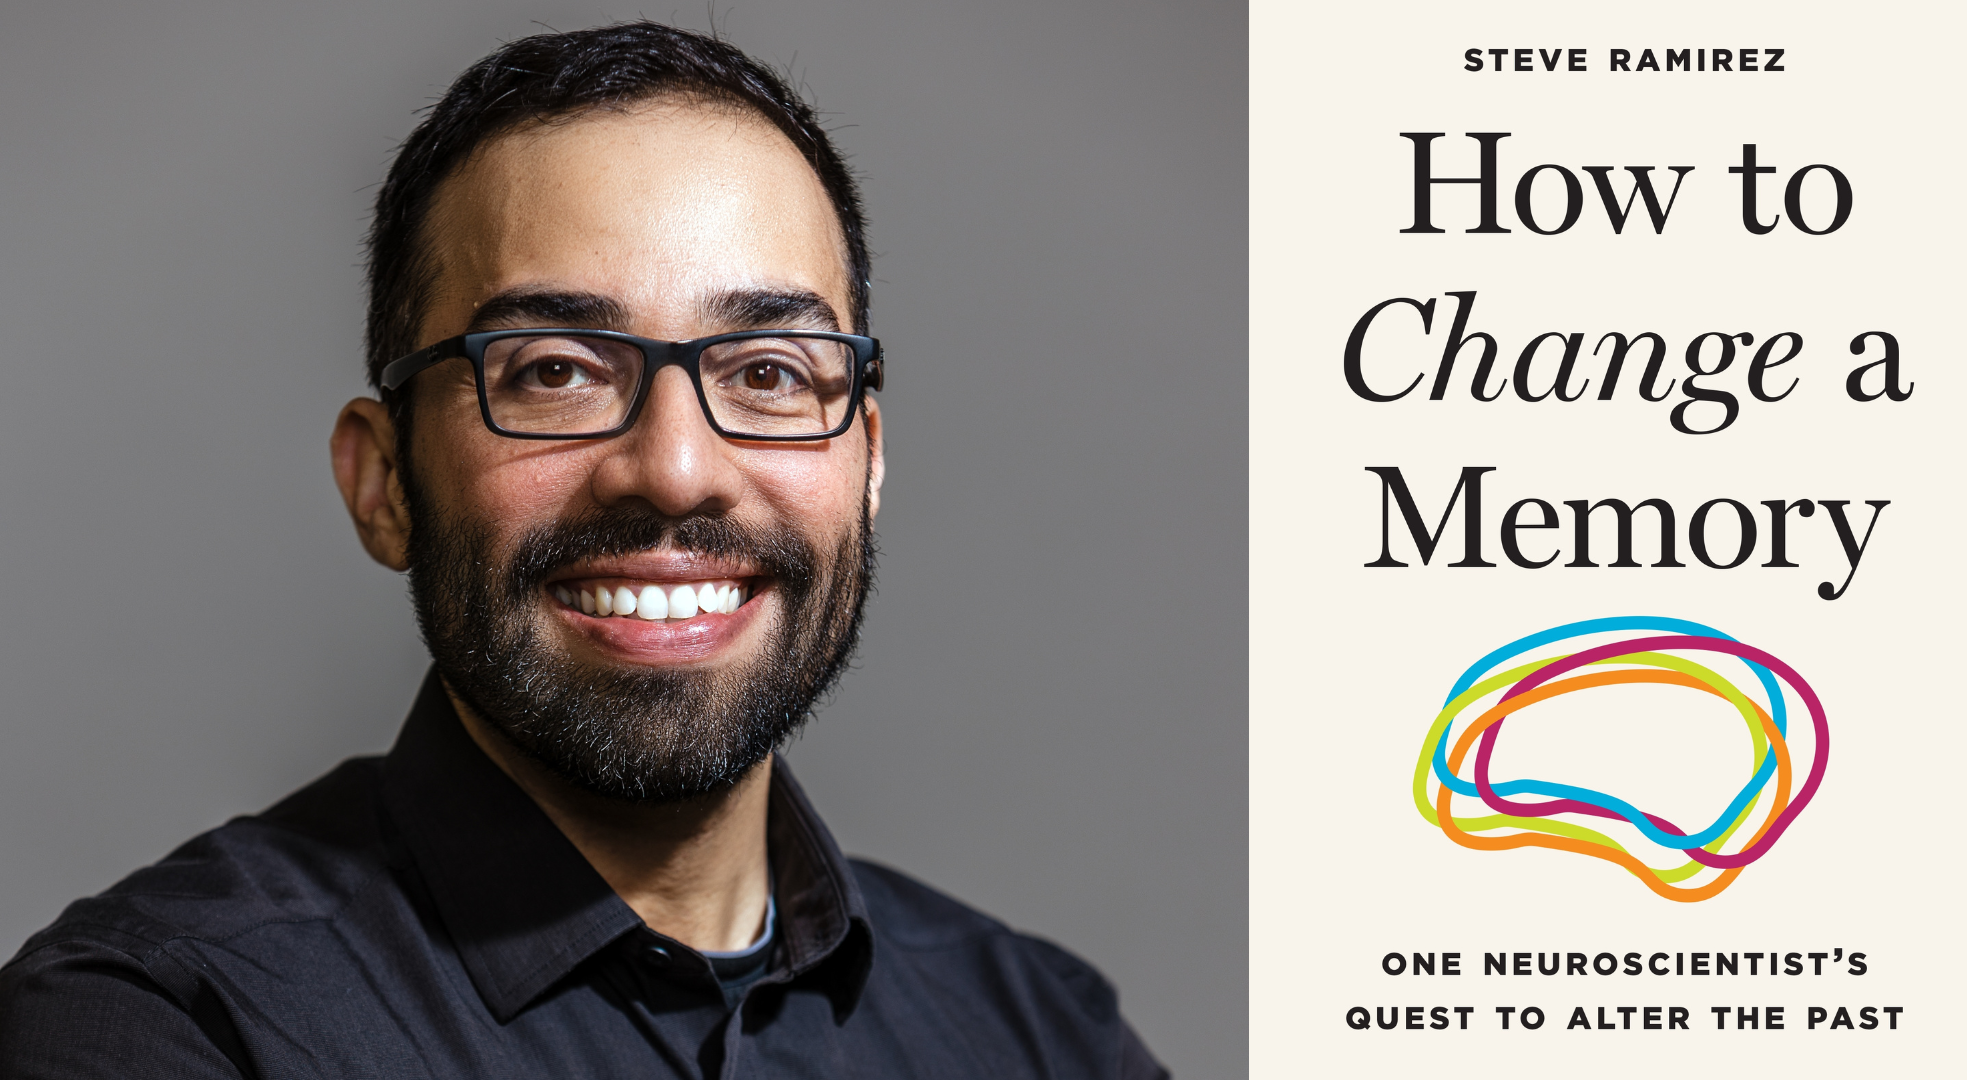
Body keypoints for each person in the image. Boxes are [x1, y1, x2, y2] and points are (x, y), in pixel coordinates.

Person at [0, 22, 1166, 1079]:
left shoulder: (1045, 1036)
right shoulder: (159, 1028)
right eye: (553, 371)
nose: (672, 468)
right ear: (384, 481)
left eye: (765, 373)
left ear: (864, 464)